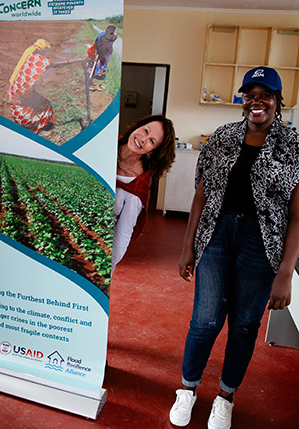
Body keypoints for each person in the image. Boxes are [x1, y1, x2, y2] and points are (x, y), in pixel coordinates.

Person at [169, 66, 299, 429]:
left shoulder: (294, 146)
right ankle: (187, 388)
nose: (257, 102)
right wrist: (188, 247)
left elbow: (297, 215)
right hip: (216, 236)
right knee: (205, 320)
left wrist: (286, 272)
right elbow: (200, 194)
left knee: (244, 325)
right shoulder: (223, 137)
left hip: (262, 244)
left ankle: (225, 396)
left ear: (277, 101)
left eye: (265, 96)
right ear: (243, 101)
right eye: (250, 96)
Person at [113, 115, 176, 269]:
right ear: (137, 127)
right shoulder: (107, 143)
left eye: (151, 141)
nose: (143, 139)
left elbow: (122, 234)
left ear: (152, 152)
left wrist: (107, 268)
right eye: (145, 130)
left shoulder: (138, 185)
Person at [7, 39, 83, 135]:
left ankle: (32, 126)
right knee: (45, 105)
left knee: (40, 103)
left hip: (16, 95)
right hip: (20, 99)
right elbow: (53, 64)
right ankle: (37, 128)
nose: (44, 54)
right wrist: (79, 59)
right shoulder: (34, 57)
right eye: (44, 52)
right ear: (41, 50)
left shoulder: (28, 55)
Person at [88, 25, 118, 91]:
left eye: (111, 32)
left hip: (107, 53)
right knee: (95, 66)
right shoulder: (100, 36)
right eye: (107, 32)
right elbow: (96, 45)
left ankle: (98, 83)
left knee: (103, 66)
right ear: (106, 31)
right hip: (99, 51)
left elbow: (112, 41)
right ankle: (92, 83)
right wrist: (96, 54)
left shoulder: (114, 36)